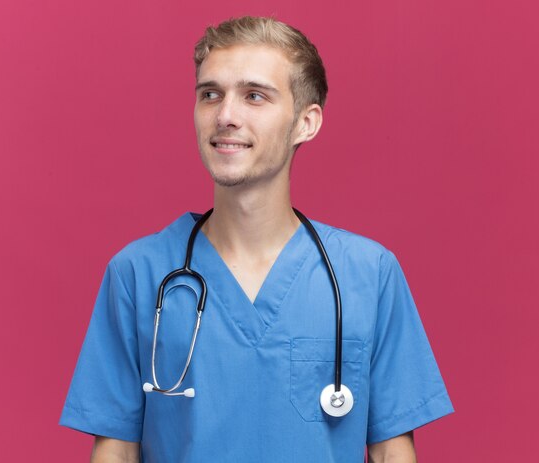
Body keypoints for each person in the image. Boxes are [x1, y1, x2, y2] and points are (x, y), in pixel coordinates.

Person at [60, 16, 454, 463]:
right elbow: (116, 451)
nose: (225, 116)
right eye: (210, 94)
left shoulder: (368, 274)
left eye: (254, 96)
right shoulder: (138, 274)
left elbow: (390, 453)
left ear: (306, 123)